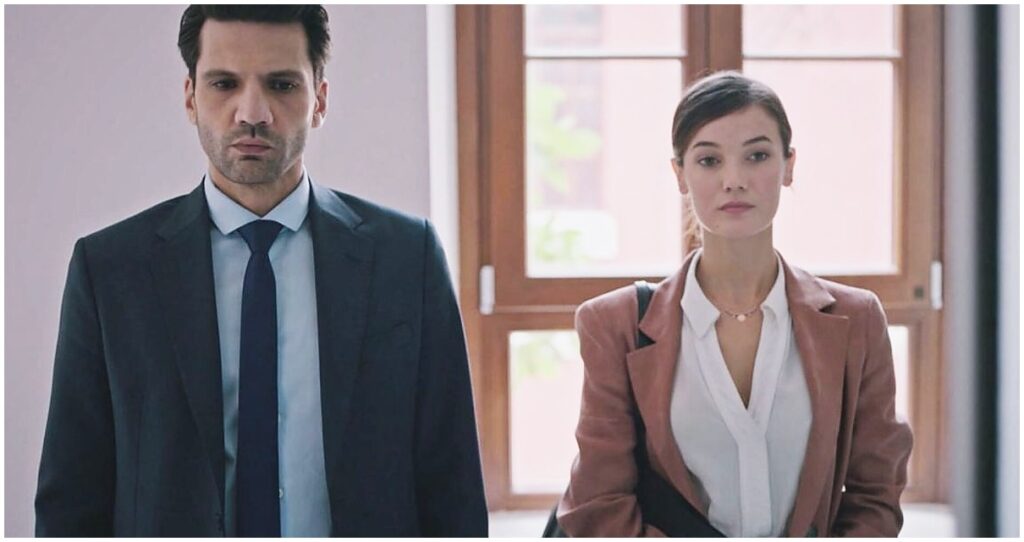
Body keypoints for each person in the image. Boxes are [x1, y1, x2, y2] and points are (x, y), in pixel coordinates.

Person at [34, 5, 487, 537]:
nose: (253, 112)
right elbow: (71, 499)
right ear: (190, 97)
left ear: (319, 100)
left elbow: (452, 484)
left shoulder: (406, 259)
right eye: (224, 83)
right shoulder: (110, 270)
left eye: (281, 84)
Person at [555, 71, 913, 537]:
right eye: (709, 160)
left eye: (757, 155)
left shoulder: (856, 320)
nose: (734, 180)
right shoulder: (614, 324)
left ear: (789, 165)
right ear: (680, 174)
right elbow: (599, 505)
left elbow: (876, 495)